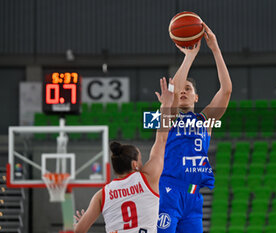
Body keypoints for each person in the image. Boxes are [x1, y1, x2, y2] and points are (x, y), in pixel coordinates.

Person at [73, 77, 174, 233]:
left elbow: (78, 231)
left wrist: (78, 226)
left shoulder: (102, 195)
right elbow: (161, 139)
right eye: (140, 160)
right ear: (134, 164)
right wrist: (166, 105)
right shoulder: (148, 178)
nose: (142, 164)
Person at [157, 22, 232, 232]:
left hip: (194, 197)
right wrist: (189, 57)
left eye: (188, 89)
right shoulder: (169, 115)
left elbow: (226, 91)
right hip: (168, 189)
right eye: (182, 88)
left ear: (196, 96)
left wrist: (215, 48)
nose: (183, 91)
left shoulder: (205, 121)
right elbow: (173, 92)